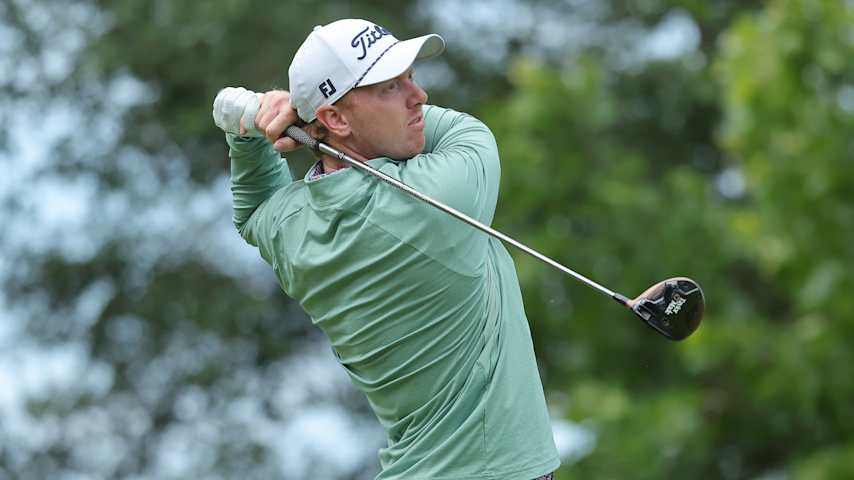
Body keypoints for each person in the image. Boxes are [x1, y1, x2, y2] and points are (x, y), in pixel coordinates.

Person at [213, 18, 560, 480]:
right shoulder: (438, 196)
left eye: (411, 78)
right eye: (390, 87)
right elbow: (467, 133)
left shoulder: (291, 226)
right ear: (336, 117)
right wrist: (291, 117)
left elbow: (253, 207)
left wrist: (249, 128)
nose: (420, 97)